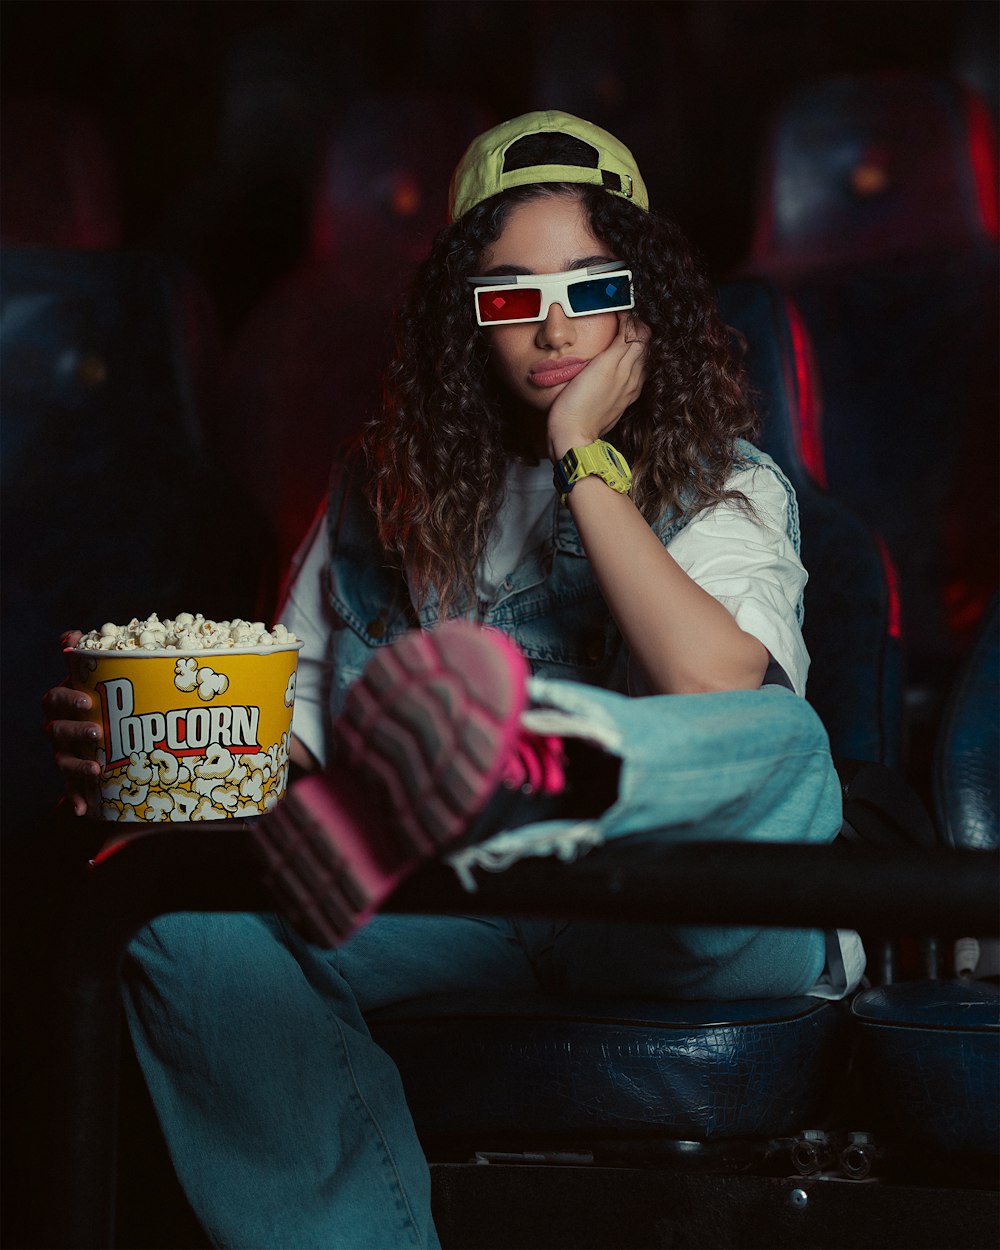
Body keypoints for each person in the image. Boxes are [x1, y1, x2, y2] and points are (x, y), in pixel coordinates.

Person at [43, 111, 864, 1249]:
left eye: (588, 286)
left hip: (681, 906)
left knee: (776, 735)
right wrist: (154, 751)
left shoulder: (729, 483)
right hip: (461, 905)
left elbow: (708, 679)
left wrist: (586, 457)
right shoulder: (381, 492)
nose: (551, 326)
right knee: (183, 911)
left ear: (645, 304)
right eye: (509, 294)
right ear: (460, 322)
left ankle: (541, 765)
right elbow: (296, 759)